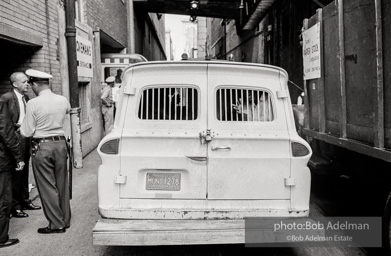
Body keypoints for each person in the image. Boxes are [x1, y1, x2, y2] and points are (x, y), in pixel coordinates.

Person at [21, 69, 71, 234]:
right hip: (61, 144)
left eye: (31, 85)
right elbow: (68, 115)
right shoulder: (62, 100)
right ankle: (65, 219)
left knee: (47, 186)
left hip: (42, 146)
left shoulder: (33, 103)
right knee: (62, 183)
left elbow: (27, 132)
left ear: (35, 84)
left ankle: (56, 224)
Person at [0, 72, 42, 219]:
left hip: (26, 139)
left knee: (24, 173)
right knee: (16, 174)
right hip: (14, 140)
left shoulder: (27, 98)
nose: (27, 84)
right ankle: (15, 207)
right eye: (23, 82)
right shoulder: (6, 98)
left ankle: (25, 201)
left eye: (28, 82)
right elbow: (4, 122)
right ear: (15, 84)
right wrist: (17, 126)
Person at [0, 97, 25, 247]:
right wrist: (18, 157)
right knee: (4, 199)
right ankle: (1, 238)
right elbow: (6, 133)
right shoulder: (1, 104)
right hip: (1, 161)